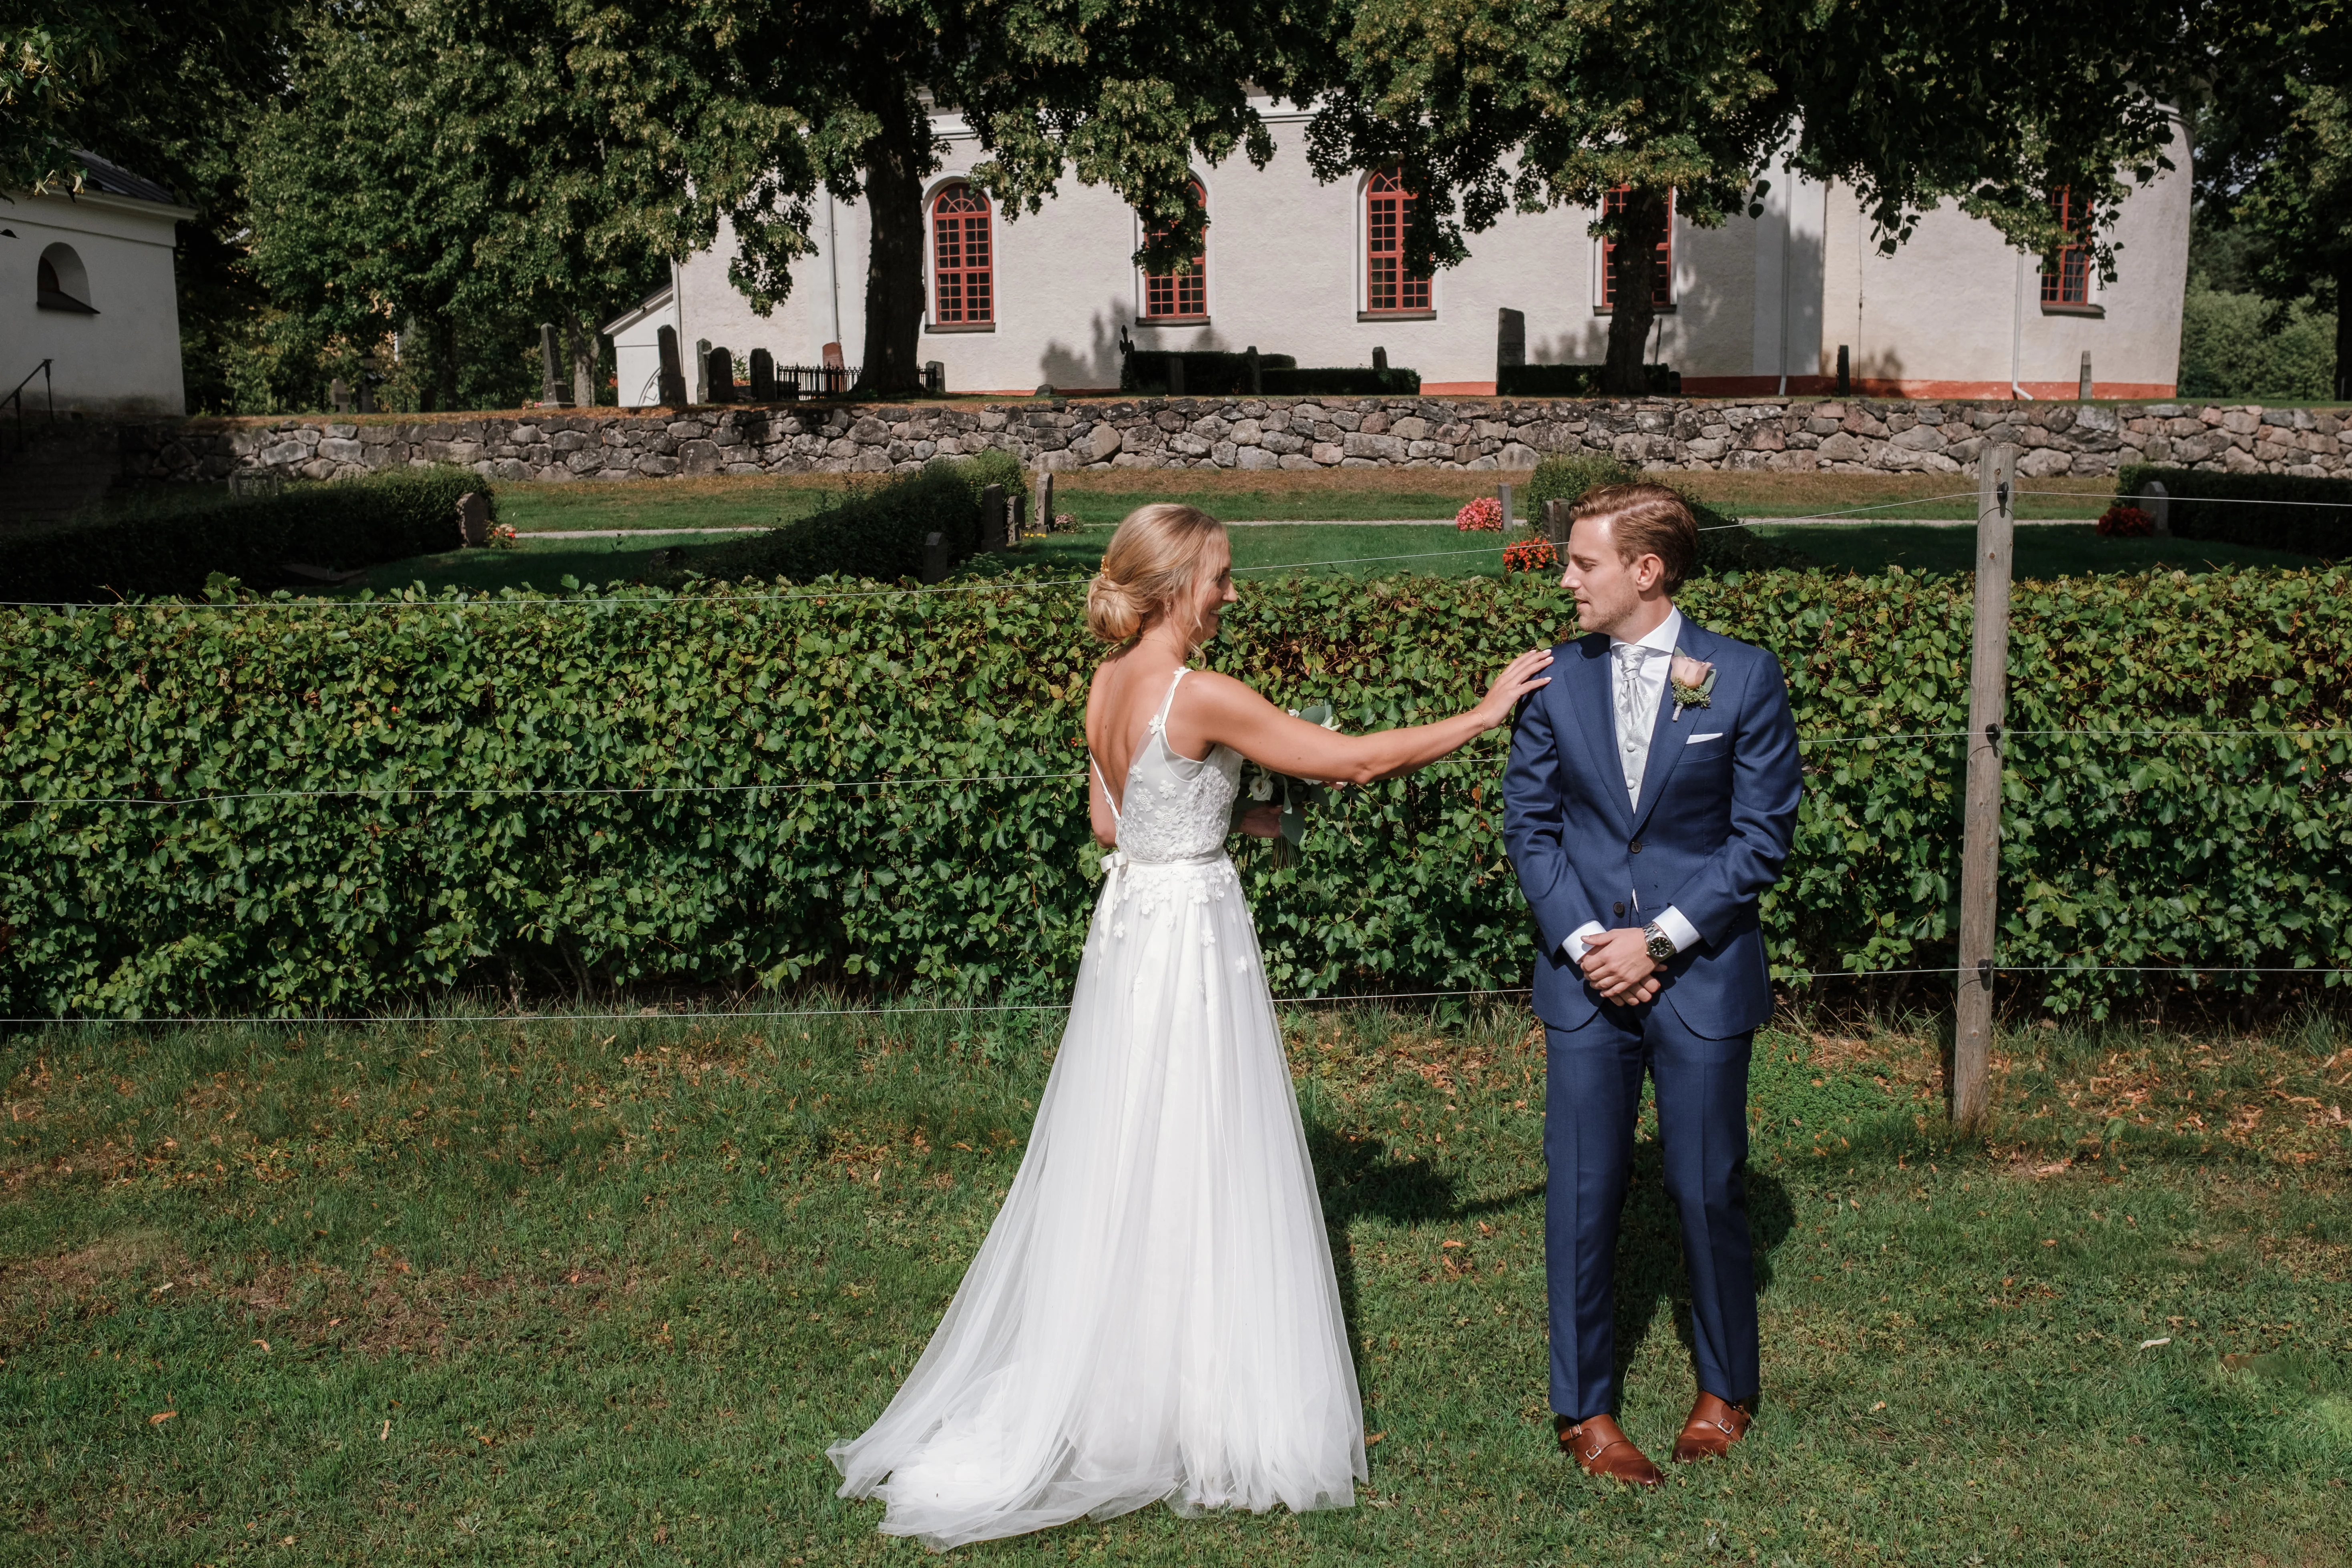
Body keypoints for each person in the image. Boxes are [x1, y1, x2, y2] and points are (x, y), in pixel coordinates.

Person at [830, 503, 1553, 1550]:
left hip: (1130, 920)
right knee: (1201, 1141)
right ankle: (1194, 1397)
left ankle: (1122, 1376)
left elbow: (1109, 819)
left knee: (1130, 1141)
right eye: (1218, 576)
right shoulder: (1198, 692)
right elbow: (1347, 761)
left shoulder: (1107, 682)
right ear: (1175, 585)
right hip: (1190, 932)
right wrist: (1483, 716)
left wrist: (1233, 815)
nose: (1229, 592)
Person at [1501, 483, 1800, 1487]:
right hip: (1583, 978)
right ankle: (1585, 1407)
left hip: (1702, 975)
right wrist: (1592, 941)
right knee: (1584, 1191)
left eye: (1583, 562)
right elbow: (1531, 829)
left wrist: (1659, 941)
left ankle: (1725, 1386)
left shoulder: (1743, 677)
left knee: (1705, 1183)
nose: (1566, 577)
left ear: (1646, 571)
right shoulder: (1553, 680)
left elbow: (1761, 839)